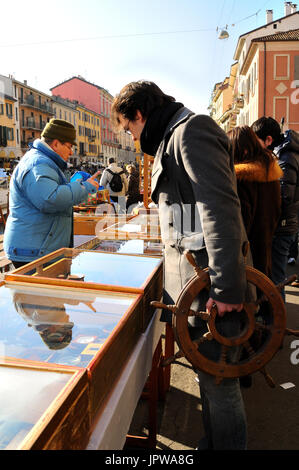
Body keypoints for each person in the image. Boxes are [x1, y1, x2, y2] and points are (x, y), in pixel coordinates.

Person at [111, 80, 253, 450]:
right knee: (210, 380)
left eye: (129, 127)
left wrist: (227, 291)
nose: (130, 135)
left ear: (140, 114)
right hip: (196, 292)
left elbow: (220, 213)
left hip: (212, 295)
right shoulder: (172, 138)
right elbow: (190, 219)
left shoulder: (191, 131)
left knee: (220, 384)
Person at [4, 118, 100, 268]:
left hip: (37, 247)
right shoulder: (39, 163)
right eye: (69, 146)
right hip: (33, 251)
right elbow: (49, 199)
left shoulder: (44, 162)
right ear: (55, 144)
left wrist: (78, 186)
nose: (71, 151)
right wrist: (84, 188)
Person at [251, 117, 299, 299]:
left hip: (283, 225)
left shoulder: (285, 156)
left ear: (269, 140)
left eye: (258, 142)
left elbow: (284, 195)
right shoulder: (285, 152)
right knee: (275, 275)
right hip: (286, 223)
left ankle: (276, 323)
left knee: (276, 277)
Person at [228, 125, 282, 278]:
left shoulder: (242, 179)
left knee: (252, 297)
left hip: (247, 257)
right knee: (266, 293)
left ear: (242, 151)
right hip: (264, 248)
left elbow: (241, 224)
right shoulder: (270, 171)